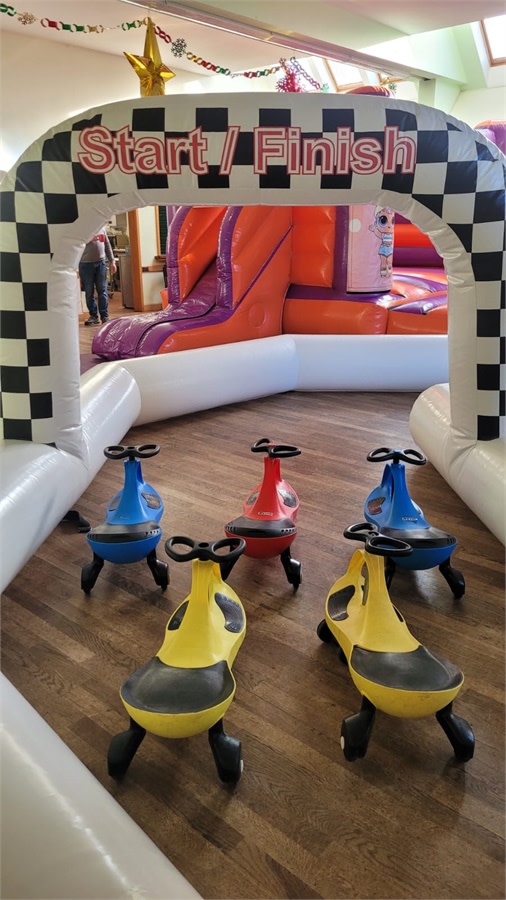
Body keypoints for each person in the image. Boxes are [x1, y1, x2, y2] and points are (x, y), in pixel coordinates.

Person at [79, 230, 117, 325]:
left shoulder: (102, 229)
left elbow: (107, 245)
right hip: (85, 264)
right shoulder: (82, 228)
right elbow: (76, 244)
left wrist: (112, 261)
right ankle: (93, 316)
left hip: (101, 263)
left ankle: (104, 316)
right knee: (89, 292)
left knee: (102, 290)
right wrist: (89, 239)